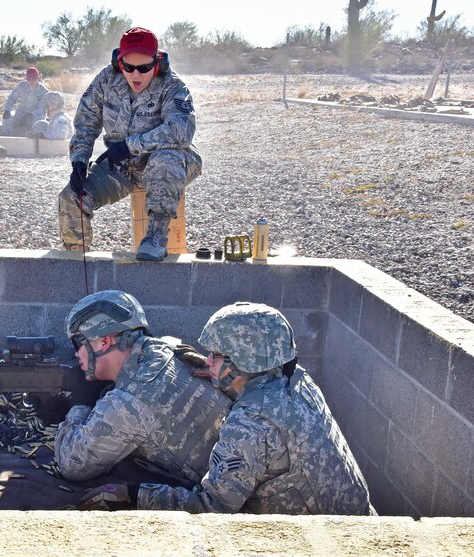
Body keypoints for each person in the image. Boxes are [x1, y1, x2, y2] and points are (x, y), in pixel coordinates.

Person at [78, 302, 373, 515]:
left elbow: (211, 505)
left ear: (244, 362)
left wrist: (134, 494)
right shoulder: (298, 378)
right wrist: (221, 375)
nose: (207, 360)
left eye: (218, 356)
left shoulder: (249, 425)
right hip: (361, 519)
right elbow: (263, 393)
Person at [54, 290, 230, 487]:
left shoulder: (129, 402)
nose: (76, 353)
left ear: (104, 341)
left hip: (218, 502)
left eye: (78, 342)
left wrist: (80, 404)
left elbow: (71, 464)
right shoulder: (168, 346)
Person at [58, 27, 202, 261]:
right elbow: (85, 124)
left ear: (157, 63)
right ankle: (75, 260)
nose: (136, 75)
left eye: (144, 68)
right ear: (119, 62)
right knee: (71, 197)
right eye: (128, 67)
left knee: (164, 160)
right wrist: (79, 162)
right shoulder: (106, 80)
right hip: (123, 166)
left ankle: (156, 238)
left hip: (171, 161)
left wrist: (129, 145)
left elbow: (181, 131)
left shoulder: (173, 86)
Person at [2, 66, 48, 136]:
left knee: (40, 122)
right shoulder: (21, 85)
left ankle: (36, 138)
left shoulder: (43, 91)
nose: (31, 81)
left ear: (38, 78)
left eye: (34, 79)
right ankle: (7, 137)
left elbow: (41, 109)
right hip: (20, 113)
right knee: (7, 118)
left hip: (34, 115)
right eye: (29, 79)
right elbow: (12, 98)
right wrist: (7, 109)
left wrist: (30, 115)